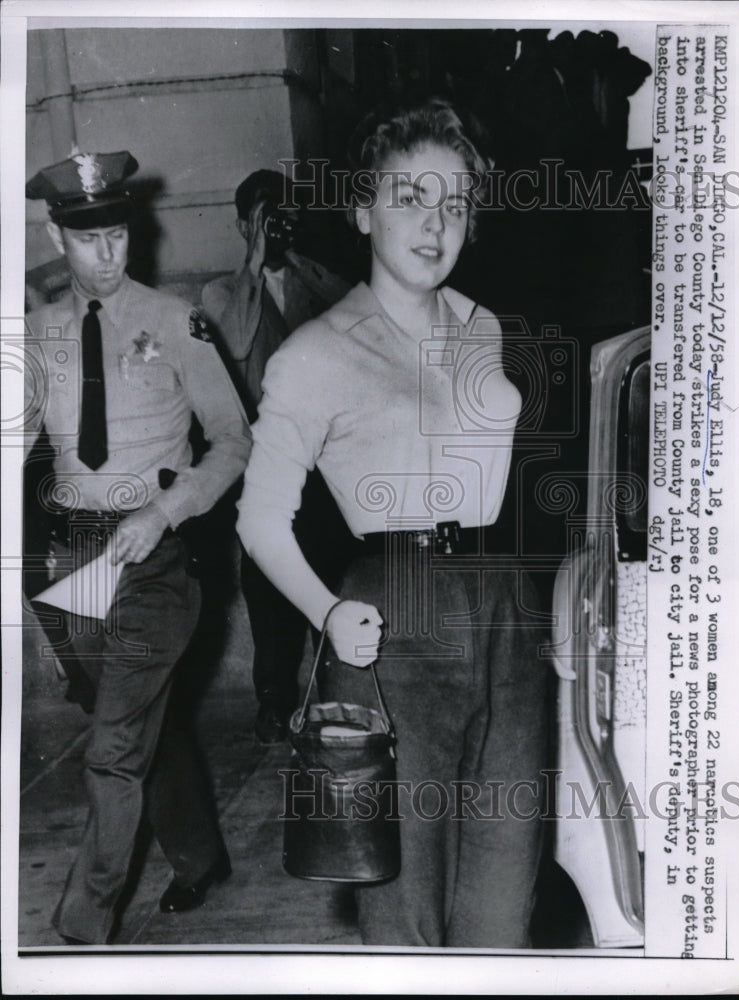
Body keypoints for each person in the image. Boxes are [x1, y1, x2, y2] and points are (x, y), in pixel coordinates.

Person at [236, 100, 549, 947]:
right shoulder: (315, 353)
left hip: (508, 609)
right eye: (409, 197)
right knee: (401, 896)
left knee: (505, 893)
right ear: (363, 208)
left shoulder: (486, 328)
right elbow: (261, 517)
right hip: (391, 617)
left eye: (454, 203)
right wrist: (325, 613)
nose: (434, 222)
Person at [24, 150, 252, 945]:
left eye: (119, 235)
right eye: (89, 240)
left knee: (113, 746)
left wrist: (167, 510)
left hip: (159, 557)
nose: (108, 254)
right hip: (76, 564)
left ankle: (82, 927)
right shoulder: (36, 332)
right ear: (58, 235)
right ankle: (198, 858)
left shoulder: (178, 319)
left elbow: (233, 441)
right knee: (133, 715)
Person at [202, 170, 354, 744]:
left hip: (326, 461)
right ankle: (275, 699)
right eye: (264, 217)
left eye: (283, 213)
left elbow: (359, 315)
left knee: (331, 572)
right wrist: (255, 261)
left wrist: (293, 255)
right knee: (268, 586)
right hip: (266, 462)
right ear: (244, 225)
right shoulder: (222, 292)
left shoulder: (314, 280)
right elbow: (236, 341)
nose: (276, 225)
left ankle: (339, 691)